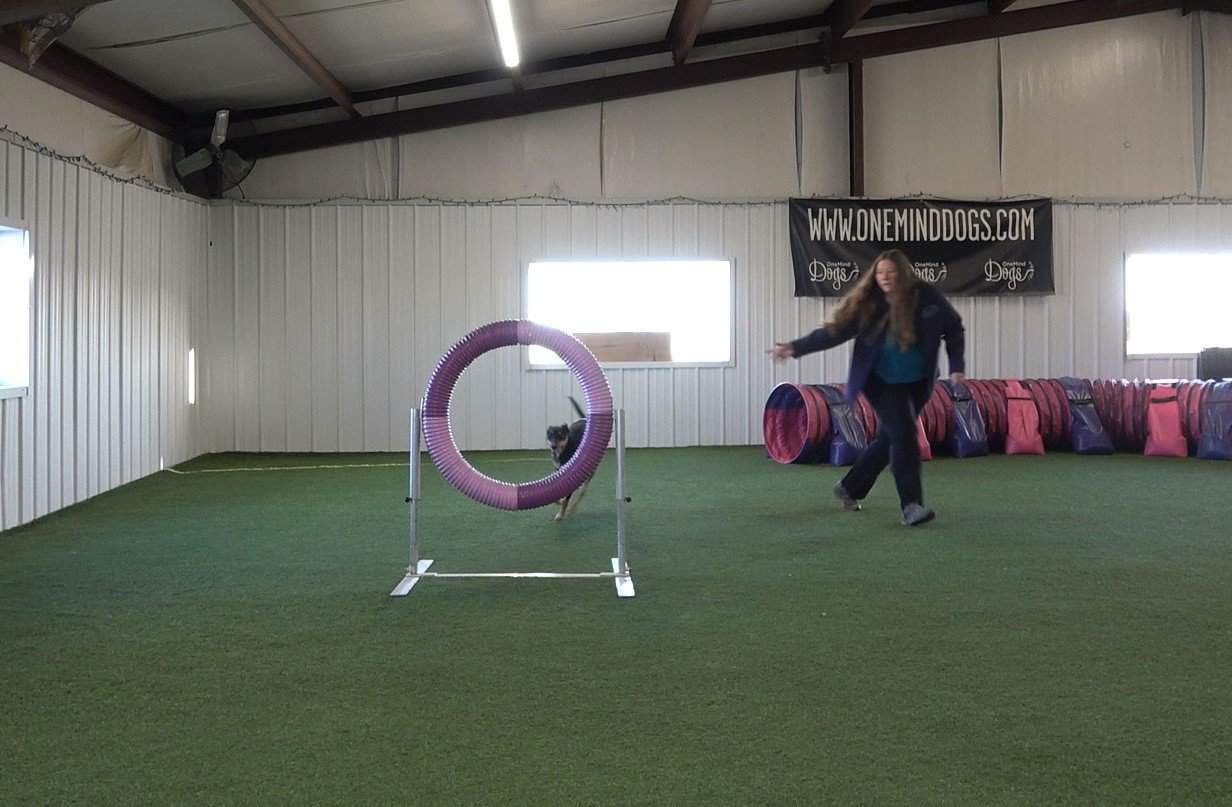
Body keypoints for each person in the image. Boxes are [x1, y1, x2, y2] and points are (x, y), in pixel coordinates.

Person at [772, 249, 966, 526]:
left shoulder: (926, 296)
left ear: (904, 273)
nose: (885, 277)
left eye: (891, 272)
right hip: (881, 383)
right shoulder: (868, 303)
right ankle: (911, 505)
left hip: (918, 383)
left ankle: (850, 487)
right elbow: (834, 332)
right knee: (905, 435)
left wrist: (956, 364)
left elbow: (954, 327)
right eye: (880, 273)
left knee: (890, 439)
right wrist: (794, 347)